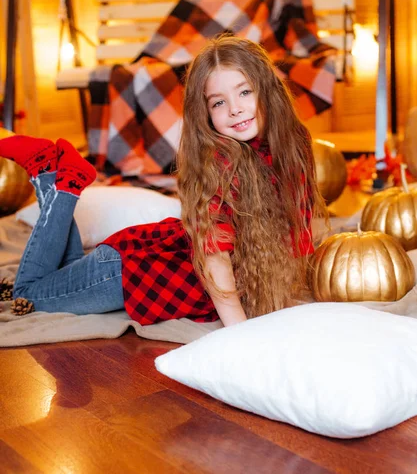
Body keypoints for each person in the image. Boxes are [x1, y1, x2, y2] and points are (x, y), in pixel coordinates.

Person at [2, 36, 325, 327]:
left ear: (266, 90)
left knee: (65, 270)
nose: (235, 109)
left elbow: (299, 227)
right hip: (128, 275)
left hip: (155, 254)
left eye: (244, 91)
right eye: (218, 102)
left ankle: (58, 173)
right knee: (30, 293)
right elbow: (215, 257)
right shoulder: (220, 161)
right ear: (205, 114)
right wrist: (239, 333)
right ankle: (53, 181)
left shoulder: (293, 143)